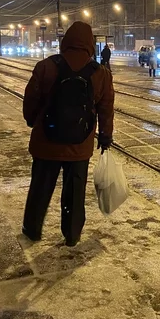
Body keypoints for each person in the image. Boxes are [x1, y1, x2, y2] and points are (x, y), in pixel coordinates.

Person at [22, 21, 114, 246]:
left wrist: (33, 121)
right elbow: (106, 108)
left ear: (66, 42)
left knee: (40, 188)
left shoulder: (46, 66)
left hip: (46, 143)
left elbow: (31, 100)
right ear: (90, 44)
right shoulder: (100, 72)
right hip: (79, 146)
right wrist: (105, 136)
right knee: (75, 193)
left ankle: (32, 229)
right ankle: (72, 234)